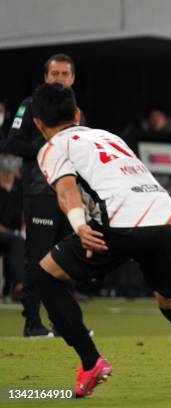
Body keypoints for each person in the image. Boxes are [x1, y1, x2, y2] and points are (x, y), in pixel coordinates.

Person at [31, 83, 171, 399]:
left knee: (42, 276)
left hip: (120, 222)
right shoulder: (108, 136)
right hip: (163, 216)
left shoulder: (52, 148)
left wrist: (79, 226)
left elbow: (66, 190)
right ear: (77, 114)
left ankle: (90, 362)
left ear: (38, 123)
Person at [1, 54, 80, 337]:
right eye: (54, 74)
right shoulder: (29, 107)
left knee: (68, 257)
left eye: (64, 74)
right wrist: (47, 144)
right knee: (37, 257)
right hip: (39, 193)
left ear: (72, 79)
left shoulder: (75, 111)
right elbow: (11, 143)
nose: (59, 79)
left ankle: (63, 322)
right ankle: (32, 322)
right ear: (45, 77)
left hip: (70, 195)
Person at [0, 154, 25, 300]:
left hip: (14, 235)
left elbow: (25, 212)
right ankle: (19, 285)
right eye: (5, 156)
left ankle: (18, 287)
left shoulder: (20, 185)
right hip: (4, 233)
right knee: (16, 241)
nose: (9, 161)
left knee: (20, 242)